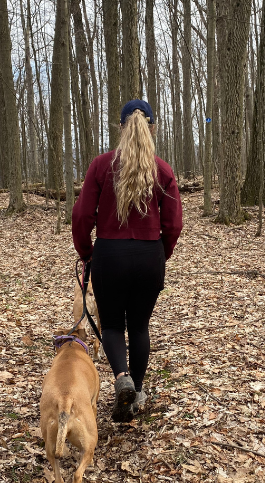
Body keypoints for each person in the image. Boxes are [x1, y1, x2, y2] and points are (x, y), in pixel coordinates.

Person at [71, 99, 184, 423]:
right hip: (149, 256)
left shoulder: (101, 166)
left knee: (111, 325)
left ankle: (122, 377)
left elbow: (81, 216)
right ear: (153, 128)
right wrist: (161, 254)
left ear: (121, 128)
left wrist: (87, 253)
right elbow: (174, 224)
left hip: (109, 255)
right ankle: (137, 389)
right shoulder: (162, 170)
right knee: (139, 326)